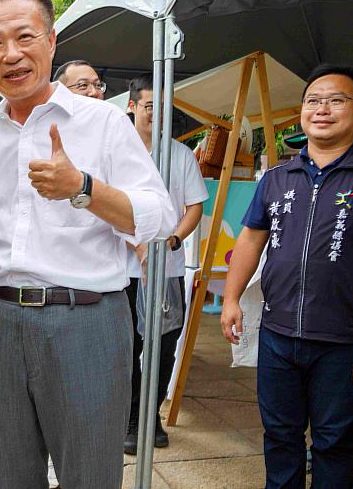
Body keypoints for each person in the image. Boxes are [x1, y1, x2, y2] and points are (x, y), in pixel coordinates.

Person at [0, 0, 175, 489]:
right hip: (3, 320)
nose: (10, 54)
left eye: (24, 36)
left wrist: (82, 187)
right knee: (14, 474)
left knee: (89, 476)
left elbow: (159, 216)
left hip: (87, 322)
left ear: (52, 40)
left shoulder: (101, 121)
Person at [221, 64, 353, 488]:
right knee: (280, 438)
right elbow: (252, 240)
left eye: (336, 100)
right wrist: (232, 297)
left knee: (335, 443)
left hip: (342, 341)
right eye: (313, 101)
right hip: (278, 334)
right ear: (302, 112)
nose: (322, 109)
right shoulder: (276, 177)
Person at [123, 73, 208, 454]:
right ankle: (129, 418)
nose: (156, 115)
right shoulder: (117, 151)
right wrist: (135, 244)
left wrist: (172, 239)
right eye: (148, 107)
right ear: (132, 106)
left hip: (168, 270)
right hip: (120, 272)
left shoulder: (180, 154)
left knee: (163, 347)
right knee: (127, 347)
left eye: (162, 108)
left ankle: (150, 416)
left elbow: (194, 207)